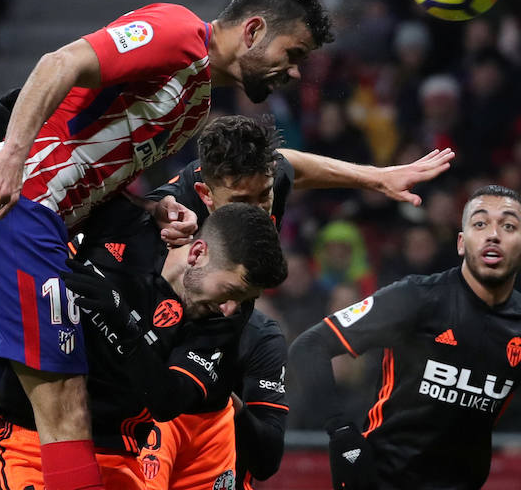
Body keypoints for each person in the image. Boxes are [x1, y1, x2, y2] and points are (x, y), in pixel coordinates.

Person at [0, 0, 333, 490]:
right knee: (66, 409)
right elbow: (59, 63)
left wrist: (152, 207)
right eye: (294, 52)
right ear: (254, 30)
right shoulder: (178, 32)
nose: (297, 73)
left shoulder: (195, 108)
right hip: (18, 209)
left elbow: (97, 168)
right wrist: (13, 156)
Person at [137, 115, 453, 490]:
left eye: (264, 195)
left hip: (216, 383)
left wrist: (378, 178)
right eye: (241, 200)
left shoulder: (263, 177)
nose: (258, 210)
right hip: (153, 372)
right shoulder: (171, 215)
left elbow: (292, 165)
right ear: (206, 194)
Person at [289, 185, 521, 490]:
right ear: (462, 242)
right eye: (480, 224)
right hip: (381, 481)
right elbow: (310, 346)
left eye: (507, 226)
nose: (493, 234)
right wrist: (340, 431)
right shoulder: (416, 297)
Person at [0, 200, 287, 489]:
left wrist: (126, 327)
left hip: (119, 460)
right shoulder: (127, 227)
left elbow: (168, 401)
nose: (232, 308)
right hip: (32, 443)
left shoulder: (219, 322)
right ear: (197, 253)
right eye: (231, 291)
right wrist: (147, 202)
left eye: (246, 300)